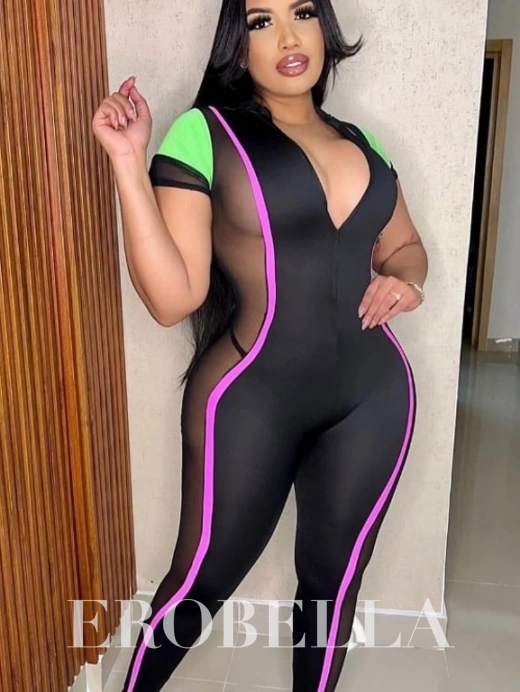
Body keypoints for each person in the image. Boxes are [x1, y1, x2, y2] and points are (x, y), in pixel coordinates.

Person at [92, 0, 428, 689]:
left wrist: (407, 282)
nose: (288, 35)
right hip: (251, 399)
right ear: (236, 44)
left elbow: (405, 247)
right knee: (201, 582)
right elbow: (172, 300)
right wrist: (127, 164)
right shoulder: (205, 134)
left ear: (324, 28)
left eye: (302, 12)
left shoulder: (364, 142)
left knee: (334, 583)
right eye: (260, 21)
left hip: (373, 396)